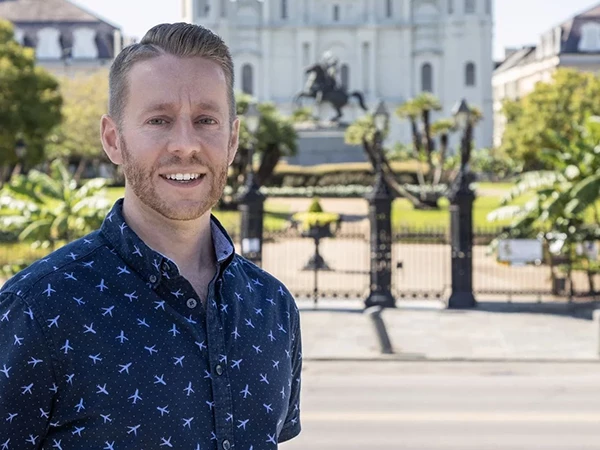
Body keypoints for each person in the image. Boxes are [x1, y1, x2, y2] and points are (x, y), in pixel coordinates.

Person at [0, 23, 302, 449]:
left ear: (232, 140)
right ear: (113, 140)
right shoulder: (38, 309)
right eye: (159, 120)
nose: (185, 145)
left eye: (206, 120)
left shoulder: (274, 309)